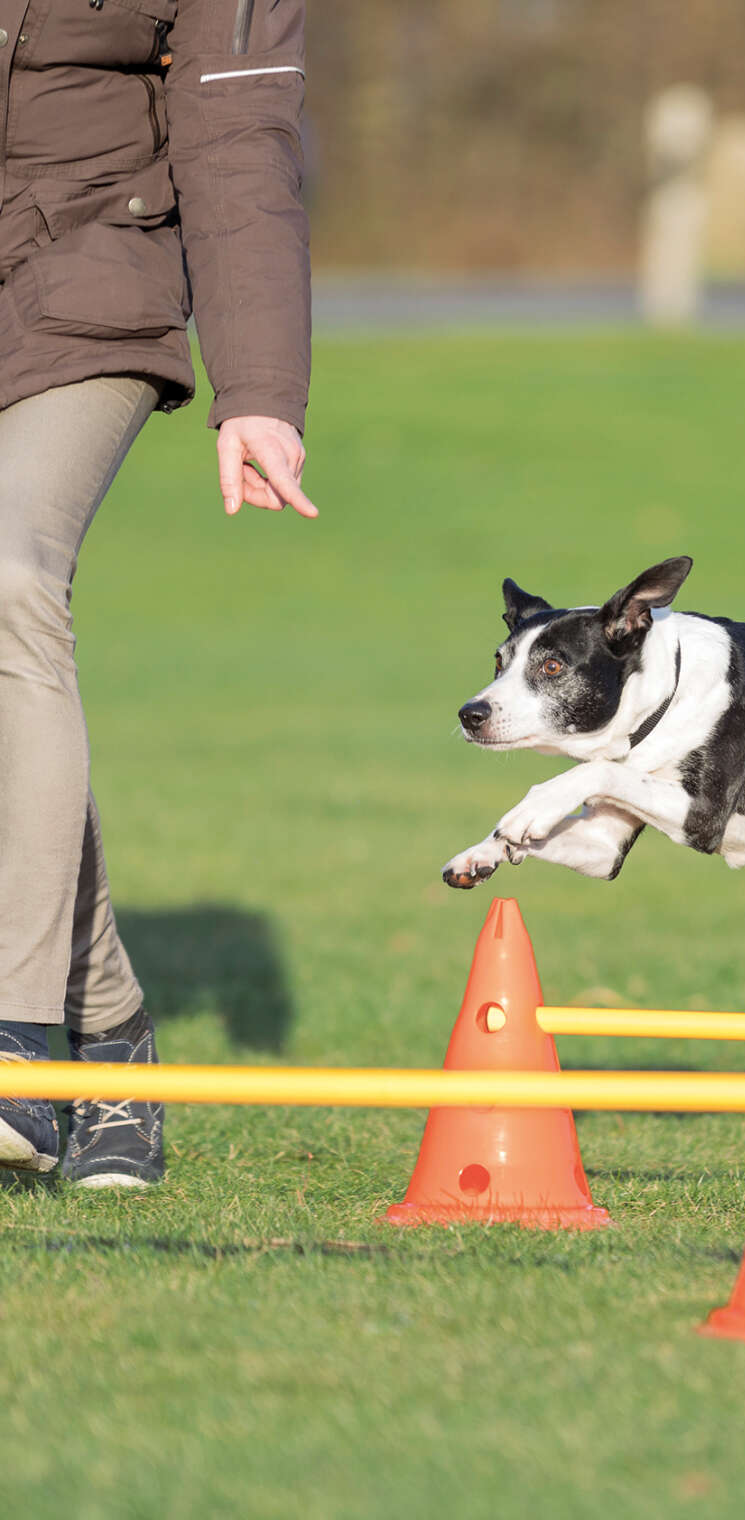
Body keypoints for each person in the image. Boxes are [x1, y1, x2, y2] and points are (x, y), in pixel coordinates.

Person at [0, 0, 316, 1187]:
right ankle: (114, 1025)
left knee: (9, 576)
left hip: (85, 284)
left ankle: (18, 1052)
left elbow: (239, 138)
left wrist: (259, 387)